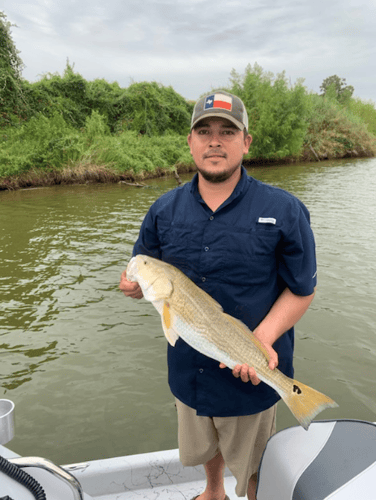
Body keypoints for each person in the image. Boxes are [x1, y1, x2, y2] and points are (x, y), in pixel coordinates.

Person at [119, 90, 317, 500]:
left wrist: (260, 341)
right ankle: (213, 491)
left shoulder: (285, 209)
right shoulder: (162, 210)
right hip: (189, 365)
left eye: (228, 132)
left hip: (254, 367)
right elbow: (144, 271)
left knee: (258, 468)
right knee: (205, 444)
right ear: (190, 142)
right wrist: (134, 288)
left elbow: (302, 289)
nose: (215, 141)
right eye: (204, 131)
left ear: (245, 142)